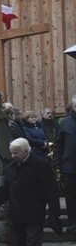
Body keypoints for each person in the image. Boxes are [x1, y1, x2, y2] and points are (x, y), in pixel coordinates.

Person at [0, 138, 61, 246]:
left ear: (26, 151)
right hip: (17, 212)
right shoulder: (11, 167)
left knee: (33, 240)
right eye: (12, 153)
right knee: (20, 241)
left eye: (16, 153)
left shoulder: (40, 164)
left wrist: (54, 212)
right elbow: (6, 188)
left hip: (34, 211)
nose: (13, 156)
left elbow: (51, 191)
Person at [53, 96, 76, 232]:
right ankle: (73, 223)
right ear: (73, 107)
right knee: (71, 196)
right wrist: (57, 164)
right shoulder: (65, 123)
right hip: (70, 167)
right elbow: (58, 145)